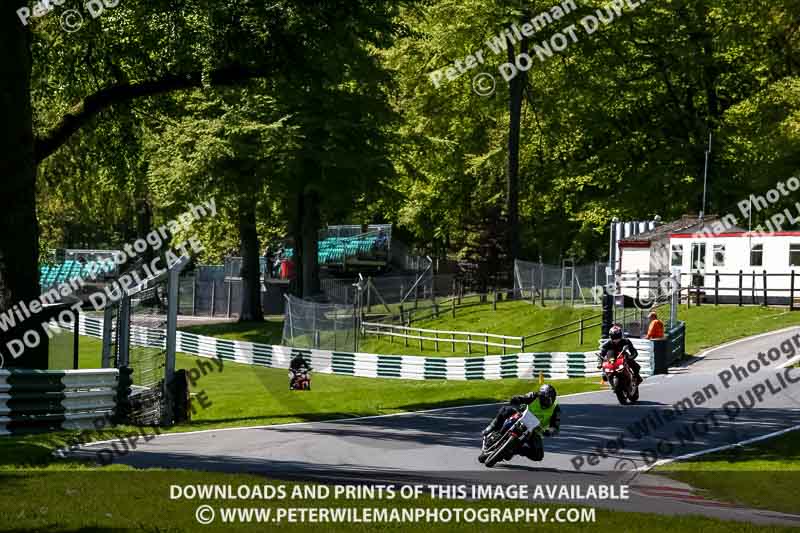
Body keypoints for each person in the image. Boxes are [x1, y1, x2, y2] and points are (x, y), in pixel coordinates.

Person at [481, 384, 561, 462]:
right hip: (522, 417)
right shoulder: (533, 396)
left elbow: (555, 426)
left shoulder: (555, 409)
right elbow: (523, 397)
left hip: (534, 431)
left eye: (549, 399)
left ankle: (516, 449)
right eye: (544, 398)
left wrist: (549, 431)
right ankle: (492, 427)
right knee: (506, 410)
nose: (546, 401)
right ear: (540, 396)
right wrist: (516, 399)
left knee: (538, 456)